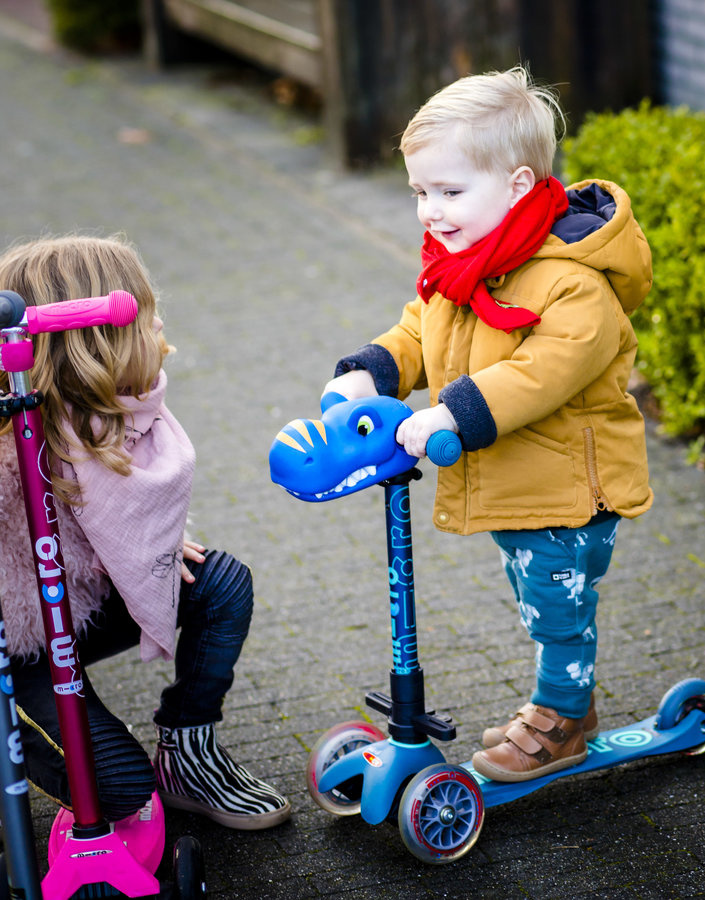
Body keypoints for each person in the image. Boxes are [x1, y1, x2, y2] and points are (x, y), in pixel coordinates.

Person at [324, 68, 654, 782]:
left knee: (557, 608)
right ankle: (566, 704)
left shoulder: (572, 282)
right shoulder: (470, 260)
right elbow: (423, 328)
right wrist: (374, 370)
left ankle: (562, 717)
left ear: (516, 184)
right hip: (520, 480)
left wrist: (452, 412)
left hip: (571, 487)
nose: (429, 212)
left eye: (449, 191)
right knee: (540, 604)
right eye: (420, 191)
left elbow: (542, 373)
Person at [0, 235, 290, 829]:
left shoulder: (120, 409)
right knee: (119, 790)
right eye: (147, 317)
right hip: (19, 649)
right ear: (95, 339)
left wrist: (144, 549)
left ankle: (189, 752)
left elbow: (120, 506)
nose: (160, 330)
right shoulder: (12, 438)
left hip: (74, 608)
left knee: (221, 584)